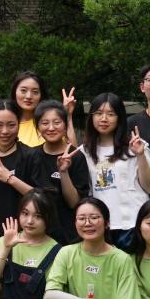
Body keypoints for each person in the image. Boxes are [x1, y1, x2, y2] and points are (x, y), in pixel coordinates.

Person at [81, 94, 150, 248]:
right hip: (101, 226)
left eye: (111, 114)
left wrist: (140, 154)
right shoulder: (84, 152)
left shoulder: (135, 146)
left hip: (133, 223)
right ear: (91, 117)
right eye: (99, 113)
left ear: (119, 118)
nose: (104, 119)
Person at [25, 100, 90, 244]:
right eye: (44, 123)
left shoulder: (76, 156)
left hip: (69, 235)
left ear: (65, 125)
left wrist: (63, 172)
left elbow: (74, 203)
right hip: (38, 236)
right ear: (37, 126)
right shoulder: (31, 157)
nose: (51, 128)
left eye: (57, 122)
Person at [0, 100, 36, 243]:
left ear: (18, 125)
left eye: (11, 125)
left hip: (28, 236)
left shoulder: (30, 156)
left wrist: (10, 179)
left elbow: (39, 196)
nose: (5, 131)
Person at [10, 72, 49, 147]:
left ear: (41, 95)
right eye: (23, 90)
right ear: (15, 92)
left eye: (35, 92)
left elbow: (69, 150)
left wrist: (68, 116)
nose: (29, 96)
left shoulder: (49, 124)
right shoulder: (0, 121)